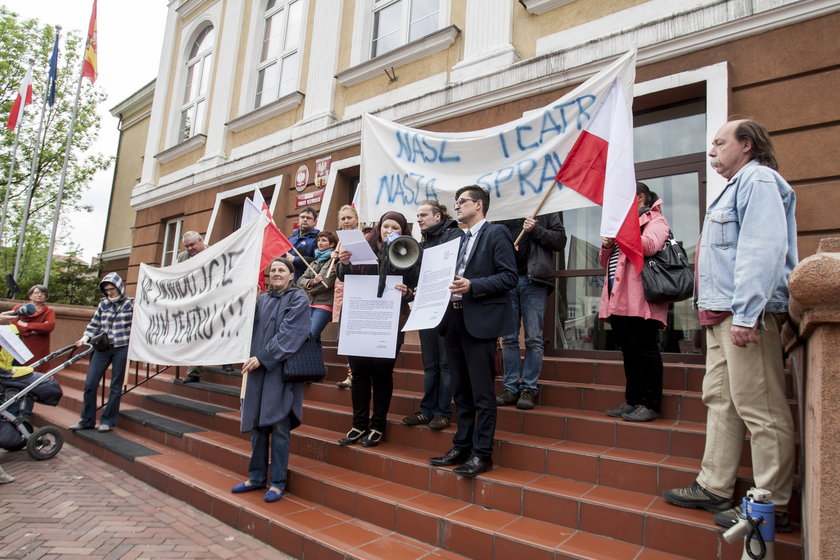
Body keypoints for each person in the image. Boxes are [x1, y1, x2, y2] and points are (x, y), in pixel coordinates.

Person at [664, 119, 797, 534]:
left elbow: (762, 247)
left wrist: (747, 313)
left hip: (744, 316)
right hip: (721, 315)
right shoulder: (737, 186)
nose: (711, 151)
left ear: (747, 145)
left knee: (762, 410)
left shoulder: (757, 179)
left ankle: (769, 506)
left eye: (719, 143)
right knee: (720, 399)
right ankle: (714, 486)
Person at [428, 186, 517, 478]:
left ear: (478, 204)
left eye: (461, 201)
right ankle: (461, 446)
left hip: (479, 323)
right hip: (452, 321)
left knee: (481, 394)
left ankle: (482, 454)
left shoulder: (496, 233)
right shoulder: (457, 238)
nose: (456, 206)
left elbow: (508, 277)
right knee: (460, 392)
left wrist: (473, 286)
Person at [336, 211, 419, 448]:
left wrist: (409, 292)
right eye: (385, 226)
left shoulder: (409, 251)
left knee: (382, 374)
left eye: (395, 227)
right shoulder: (363, 247)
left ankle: (378, 425)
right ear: (378, 228)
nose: (389, 230)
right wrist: (343, 263)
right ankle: (358, 424)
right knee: (360, 374)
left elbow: (414, 282)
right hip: (360, 318)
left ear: (403, 231)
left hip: (390, 321)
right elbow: (344, 277)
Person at [233, 257, 311, 503]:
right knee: (257, 425)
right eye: (273, 270)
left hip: (280, 371)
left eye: (281, 270)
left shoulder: (298, 298)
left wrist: (264, 357)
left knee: (279, 425)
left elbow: (292, 333)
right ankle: (256, 477)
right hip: (257, 370)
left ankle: (277, 482)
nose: (276, 273)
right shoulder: (263, 300)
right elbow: (245, 328)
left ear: (291, 275)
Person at [600, 183, 670, 422]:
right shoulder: (623, 225)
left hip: (641, 298)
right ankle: (633, 401)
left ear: (640, 197)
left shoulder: (656, 220)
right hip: (618, 297)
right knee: (629, 352)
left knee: (646, 350)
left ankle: (651, 404)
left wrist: (623, 233)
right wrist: (608, 246)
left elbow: (649, 246)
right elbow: (605, 262)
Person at [402, 200, 463, 431]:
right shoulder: (420, 244)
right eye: (417, 215)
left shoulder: (454, 234)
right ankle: (427, 410)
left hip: (447, 308)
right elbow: (417, 276)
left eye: (424, 214)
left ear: (438, 216)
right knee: (430, 364)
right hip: (426, 307)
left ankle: (443, 412)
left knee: (445, 363)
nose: (419, 219)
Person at [495, 212, 566, 410]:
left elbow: (560, 241)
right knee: (508, 338)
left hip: (534, 281)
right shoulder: (506, 208)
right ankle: (510, 388)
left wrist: (536, 229)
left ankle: (528, 388)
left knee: (533, 338)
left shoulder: (545, 211)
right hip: (506, 281)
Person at [69, 272, 134, 433]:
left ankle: (108, 421)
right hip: (103, 348)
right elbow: (95, 323)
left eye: (112, 289)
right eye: (106, 290)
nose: (109, 292)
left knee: (115, 386)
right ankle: (86, 420)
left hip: (122, 347)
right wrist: (84, 339)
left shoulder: (131, 304)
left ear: (119, 287)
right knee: (90, 383)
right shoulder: (103, 304)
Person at [177, 231, 209, 382]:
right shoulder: (183, 257)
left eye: (192, 244)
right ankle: (194, 372)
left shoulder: (215, 252)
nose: (189, 248)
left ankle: (227, 362)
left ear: (201, 241)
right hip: (193, 302)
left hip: (213, 299)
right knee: (196, 334)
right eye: (186, 246)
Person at [333, 204, 359, 389]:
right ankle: (351, 375)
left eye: (349, 217)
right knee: (347, 337)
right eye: (343, 219)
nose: (346, 221)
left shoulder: (367, 236)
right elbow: (340, 271)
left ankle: (362, 374)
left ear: (356, 219)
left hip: (365, 292)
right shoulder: (340, 241)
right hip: (347, 292)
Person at [297, 231, 338, 341]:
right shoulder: (314, 262)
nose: (320, 243)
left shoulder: (334, 261)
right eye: (319, 240)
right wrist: (313, 282)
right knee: (306, 335)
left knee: (312, 334)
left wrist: (309, 289)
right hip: (310, 303)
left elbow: (326, 284)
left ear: (332, 244)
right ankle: (314, 357)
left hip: (324, 304)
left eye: (324, 240)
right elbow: (300, 281)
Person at [287, 206, 320, 282]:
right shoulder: (291, 238)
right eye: (302, 217)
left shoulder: (317, 239)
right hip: (286, 281)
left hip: (302, 282)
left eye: (308, 218)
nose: (305, 219)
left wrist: (295, 259)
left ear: (315, 222)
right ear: (299, 220)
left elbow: (317, 262)